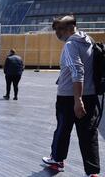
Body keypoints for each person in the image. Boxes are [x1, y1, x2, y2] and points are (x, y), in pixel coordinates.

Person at [42, 15, 100, 176]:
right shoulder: (89, 40)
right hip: (91, 95)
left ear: (69, 28)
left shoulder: (70, 45)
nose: (56, 33)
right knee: (88, 134)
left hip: (70, 97)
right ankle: (92, 172)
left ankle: (57, 160)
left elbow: (77, 71)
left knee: (62, 129)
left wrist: (78, 100)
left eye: (58, 29)